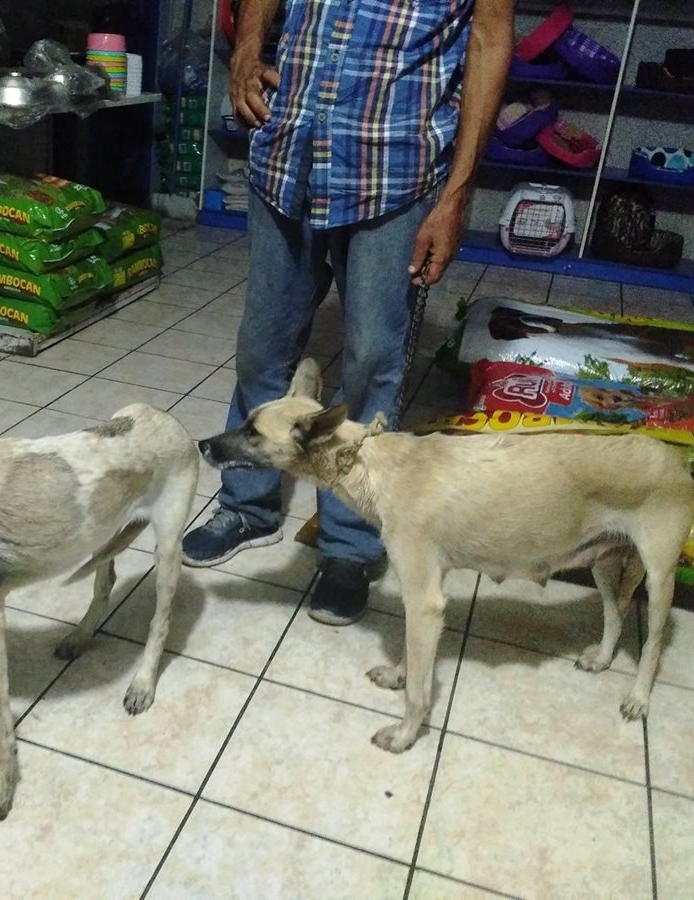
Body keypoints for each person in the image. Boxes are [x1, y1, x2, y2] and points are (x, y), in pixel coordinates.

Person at [182, 0, 515, 624]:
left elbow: (488, 41)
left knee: (372, 361)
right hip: (288, 155)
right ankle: (248, 507)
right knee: (264, 345)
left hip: (394, 169)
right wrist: (249, 47)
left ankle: (350, 544)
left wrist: (458, 192)